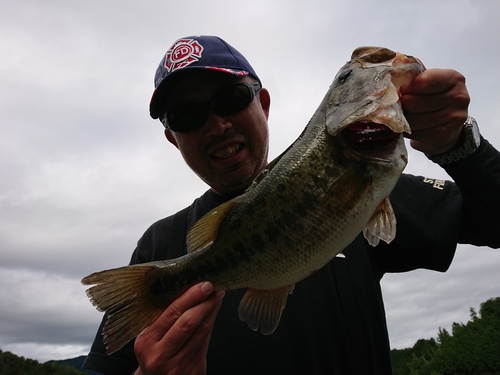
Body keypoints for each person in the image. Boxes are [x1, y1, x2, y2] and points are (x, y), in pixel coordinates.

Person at [83, 35, 500, 375]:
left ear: (262, 104)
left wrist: (458, 145)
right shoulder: (159, 249)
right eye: (187, 116)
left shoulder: (371, 184)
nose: (216, 124)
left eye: (230, 99)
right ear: (174, 138)